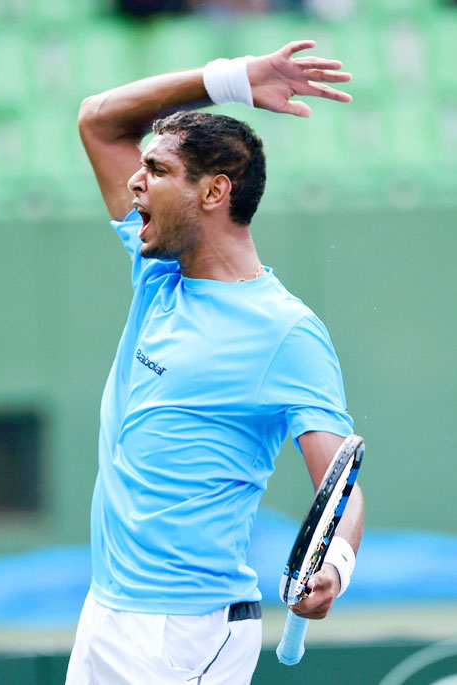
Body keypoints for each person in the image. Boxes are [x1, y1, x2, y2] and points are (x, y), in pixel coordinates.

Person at [68, 39, 364, 684]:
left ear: (213, 192)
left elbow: (339, 482)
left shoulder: (286, 331)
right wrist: (233, 78)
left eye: (158, 170)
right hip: (105, 613)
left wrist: (333, 564)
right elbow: (96, 118)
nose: (135, 180)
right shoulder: (157, 276)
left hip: (186, 633)